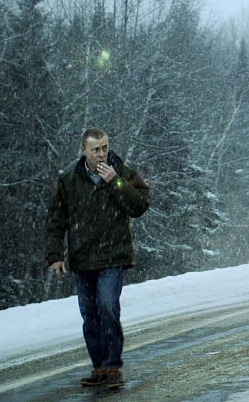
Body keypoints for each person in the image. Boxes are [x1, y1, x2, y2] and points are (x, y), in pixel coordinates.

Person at [46, 128, 150, 389]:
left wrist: (115, 181)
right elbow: (56, 220)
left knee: (107, 306)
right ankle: (99, 367)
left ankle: (113, 366)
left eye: (104, 147)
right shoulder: (69, 180)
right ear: (83, 150)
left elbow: (139, 206)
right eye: (95, 149)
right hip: (82, 259)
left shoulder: (122, 173)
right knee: (90, 315)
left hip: (113, 257)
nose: (101, 154)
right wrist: (55, 256)